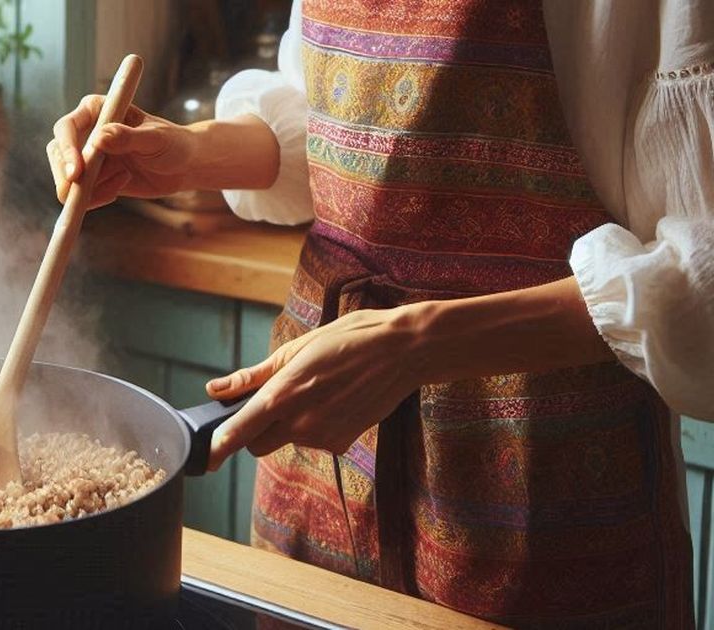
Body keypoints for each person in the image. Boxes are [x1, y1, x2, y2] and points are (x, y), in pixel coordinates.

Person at [48, 1, 714, 627]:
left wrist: (417, 344)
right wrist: (189, 153)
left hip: (546, 478)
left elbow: (702, 270)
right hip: (320, 442)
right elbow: (337, 124)